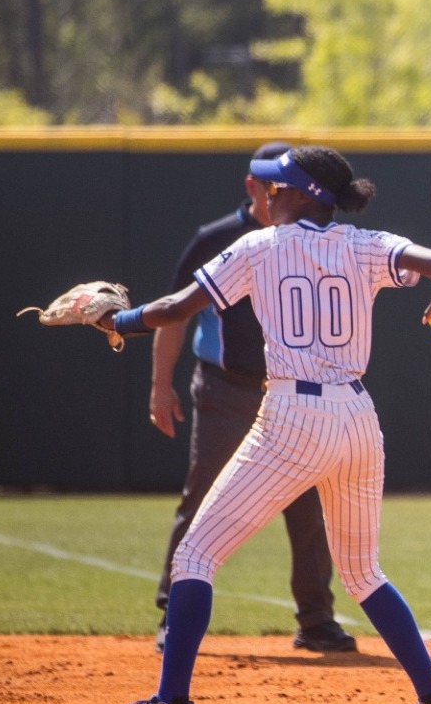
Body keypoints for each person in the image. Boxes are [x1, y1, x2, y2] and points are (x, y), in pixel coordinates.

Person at [86, 145, 431, 704]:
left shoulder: (257, 247)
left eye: (274, 187)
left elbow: (176, 308)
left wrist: (119, 321)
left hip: (293, 416)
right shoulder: (364, 244)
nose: (264, 195)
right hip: (357, 416)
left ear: (300, 194)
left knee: (194, 558)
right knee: (364, 571)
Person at [149, 140, 351, 655]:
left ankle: (316, 619)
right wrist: (160, 384)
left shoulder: (314, 239)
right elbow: (174, 312)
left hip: (293, 396)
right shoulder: (218, 239)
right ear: (253, 189)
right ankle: (174, 612)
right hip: (227, 390)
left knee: (308, 506)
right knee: (202, 498)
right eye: (271, 187)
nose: (276, 195)